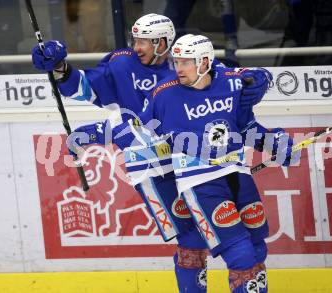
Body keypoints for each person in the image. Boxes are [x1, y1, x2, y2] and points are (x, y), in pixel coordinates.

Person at [32, 14, 209, 293]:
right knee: (191, 237)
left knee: (210, 234)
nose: (137, 47)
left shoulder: (183, 66)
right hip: (151, 169)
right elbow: (84, 87)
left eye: (144, 42)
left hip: (189, 164)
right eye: (135, 40)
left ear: (163, 43)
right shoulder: (121, 63)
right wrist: (60, 67)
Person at [127, 34, 299, 292]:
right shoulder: (165, 93)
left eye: (186, 62)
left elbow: (245, 126)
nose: (179, 68)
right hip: (199, 181)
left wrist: (273, 143)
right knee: (237, 253)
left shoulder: (229, 84)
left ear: (205, 62)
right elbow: (137, 130)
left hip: (237, 173)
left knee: (256, 247)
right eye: (176, 62)